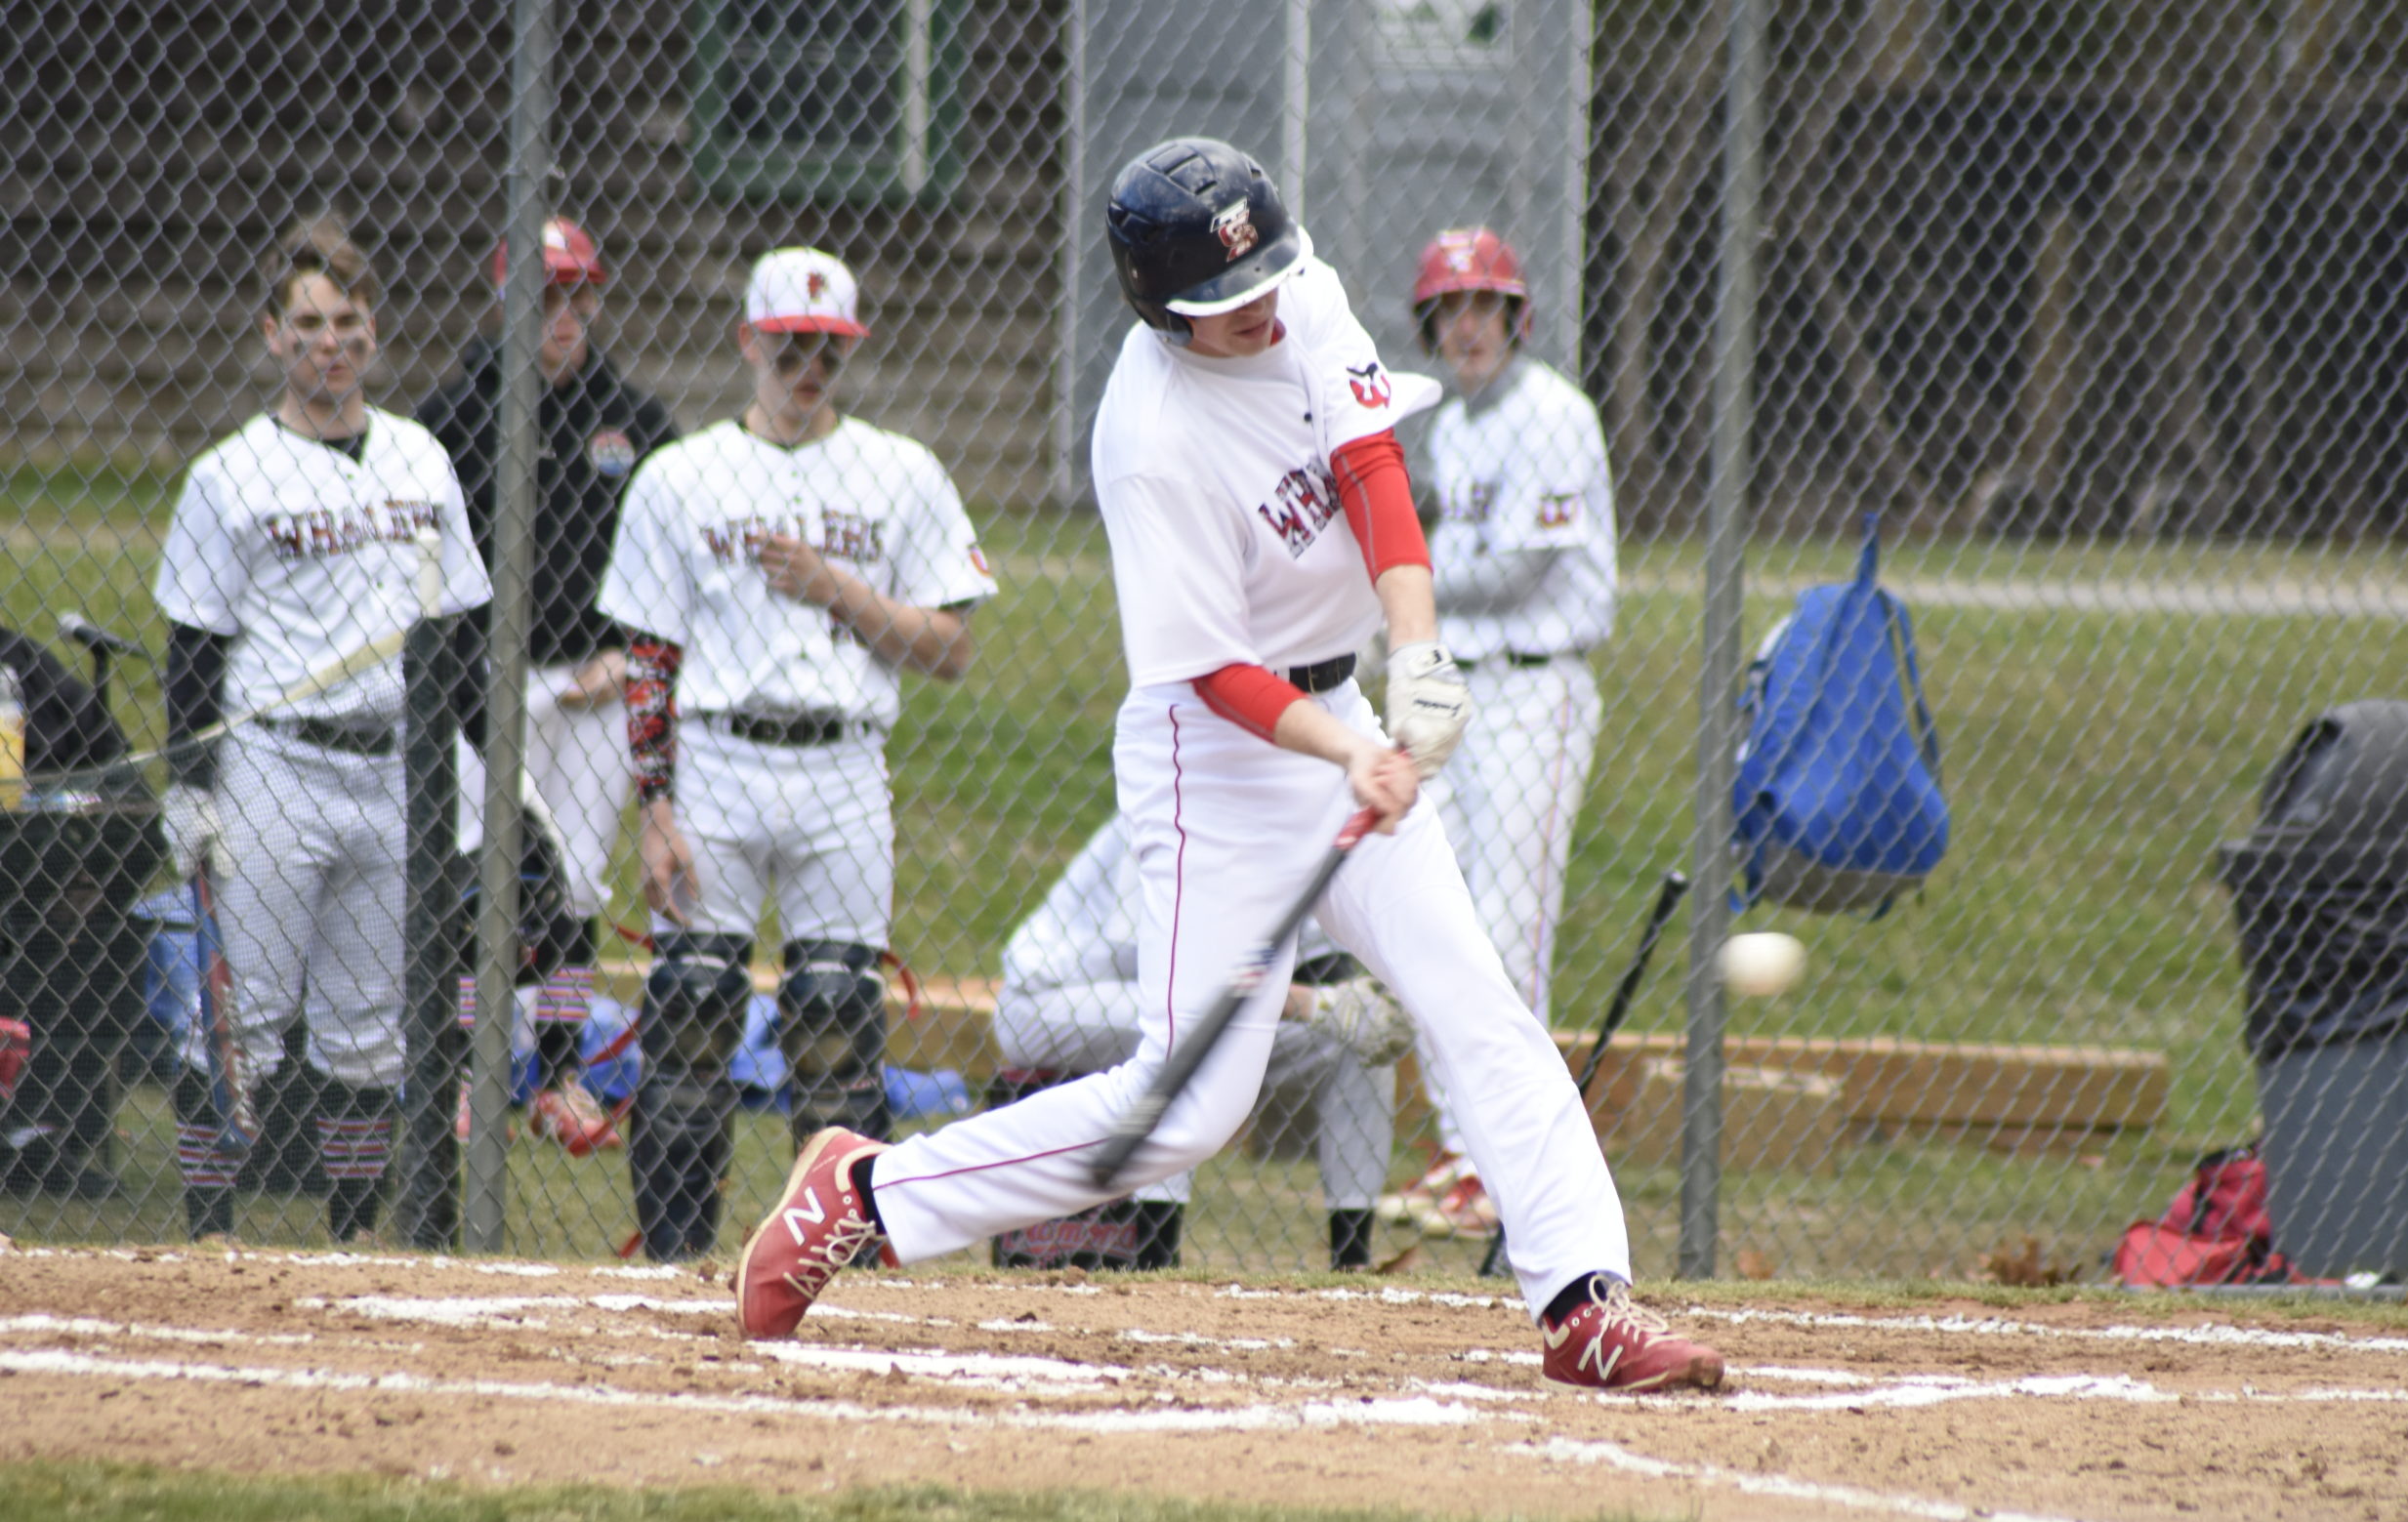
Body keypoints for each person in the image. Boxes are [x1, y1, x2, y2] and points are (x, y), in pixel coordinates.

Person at [734, 138, 1723, 1394]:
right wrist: (1347, 747)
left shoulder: (1296, 292)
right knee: (1189, 1107)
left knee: (1474, 998)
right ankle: (865, 1191)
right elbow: (1210, 673)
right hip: (1217, 761)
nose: (1259, 317)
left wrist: (1412, 658)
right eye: (1225, 307)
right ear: (1159, 310)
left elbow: (1370, 467)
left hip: (1340, 707)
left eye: (1264, 287)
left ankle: (1585, 1301)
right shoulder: (1147, 441)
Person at [597, 246, 994, 1262]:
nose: (808, 365)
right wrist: (653, 807)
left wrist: (837, 591)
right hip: (716, 763)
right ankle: (679, 1259)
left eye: (827, 347)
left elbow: (949, 650)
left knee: (832, 1026)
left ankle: (838, 1265)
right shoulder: (679, 476)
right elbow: (650, 657)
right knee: (688, 1015)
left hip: (841, 764)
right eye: (788, 346)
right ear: (747, 343)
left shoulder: (900, 472)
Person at [154, 217, 493, 1241]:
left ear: (374, 334)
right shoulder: (229, 474)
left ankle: (351, 1239)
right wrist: (192, 784)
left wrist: (492, 773)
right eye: (307, 323)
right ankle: (209, 1234)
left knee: (365, 1034)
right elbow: (193, 650)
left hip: (392, 767)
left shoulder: (421, 461)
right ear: (271, 334)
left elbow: (458, 637)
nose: (329, 342)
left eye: (347, 321)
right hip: (274, 766)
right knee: (239, 1020)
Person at [1376, 226, 1620, 1241]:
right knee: (1444, 918)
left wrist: (1399, 598)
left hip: (1534, 690)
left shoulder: (1553, 414)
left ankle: (1498, 1161)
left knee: (1510, 924)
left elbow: (1522, 573)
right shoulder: (1457, 426)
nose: (1467, 325)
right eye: (1451, 309)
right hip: (1462, 691)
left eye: (1485, 306)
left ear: (1515, 317)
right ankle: (1459, 1148)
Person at [416, 216, 678, 1142]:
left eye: (578, 296)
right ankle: (459, 1072)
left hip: (592, 682)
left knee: (571, 881)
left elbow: (660, 566)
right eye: (543, 298)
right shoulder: (451, 417)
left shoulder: (637, 422)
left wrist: (621, 651)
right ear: (506, 303)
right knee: (472, 875)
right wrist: (460, 666)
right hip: (484, 681)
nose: (562, 318)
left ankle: (561, 1073)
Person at [988, 813, 1412, 1272]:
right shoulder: (1175, 810)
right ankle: (1155, 1258)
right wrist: (1314, 1006)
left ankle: (1352, 1263)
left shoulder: (1304, 830)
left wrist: (1339, 1009)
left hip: (1173, 1001)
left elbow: (1318, 971)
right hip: (1053, 999)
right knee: (1183, 1028)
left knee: (1348, 1046)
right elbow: (1172, 972)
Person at [0, 626, 145, 1199]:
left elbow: (116, 768)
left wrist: (90, 871)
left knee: (101, 939)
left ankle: (40, 1140)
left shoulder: (18, 664)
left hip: (29, 881)